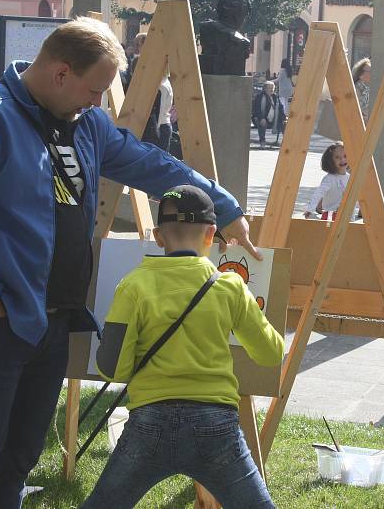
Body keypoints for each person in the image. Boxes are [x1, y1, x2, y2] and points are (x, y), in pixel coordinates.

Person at [0, 17, 258, 508]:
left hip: (50, 324)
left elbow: (149, 163)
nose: (99, 102)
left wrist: (222, 206)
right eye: (94, 88)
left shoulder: (88, 124)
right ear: (60, 73)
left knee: (16, 460)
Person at [82, 186, 283, 508]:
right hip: (217, 425)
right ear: (211, 234)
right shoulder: (230, 286)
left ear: (159, 237)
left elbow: (111, 368)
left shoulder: (133, 286)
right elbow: (271, 353)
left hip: (149, 421)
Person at [304, 141, 350, 220]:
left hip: (347, 217)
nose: (342, 159)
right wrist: (310, 209)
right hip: (330, 215)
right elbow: (319, 193)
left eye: (345, 156)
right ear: (331, 161)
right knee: (327, 231)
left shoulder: (350, 178)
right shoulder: (329, 179)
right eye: (337, 157)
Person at [252, 81, 286, 148]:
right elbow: (257, 109)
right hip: (262, 118)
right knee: (262, 123)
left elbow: (281, 109)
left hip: (274, 120)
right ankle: (262, 142)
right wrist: (261, 118)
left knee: (285, 124)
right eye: (270, 88)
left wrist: (284, 119)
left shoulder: (275, 97)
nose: (272, 89)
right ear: (265, 89)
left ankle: (286, 143)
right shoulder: (260, 97)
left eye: (273, 88)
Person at [352, 58, 371, 123]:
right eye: (370, 71)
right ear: (361, 74)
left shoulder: (368, 88)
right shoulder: (356, 88)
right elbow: (354, 109)